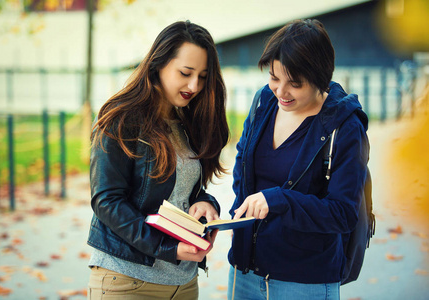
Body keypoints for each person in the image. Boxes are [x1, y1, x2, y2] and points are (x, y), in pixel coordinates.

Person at [227, 19, 369, 300]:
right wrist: (236, 220)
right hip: (243, 274)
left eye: (295, 83)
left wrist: (277, 199)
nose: (280, 91)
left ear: (320, 77)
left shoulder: (345, 127)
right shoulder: (263, 103)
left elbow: (343, 213)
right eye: (274, 77)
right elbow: (243, 167)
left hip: (304, 282)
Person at [86, 20, 229, 299]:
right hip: (127, 281)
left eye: (202, 76)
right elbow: (106, 200)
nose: (194, 85)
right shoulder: (120, 119)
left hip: (184, 283)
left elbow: (182, 191)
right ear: (158, 64)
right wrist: (168, 247)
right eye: (185, 73)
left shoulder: (187, 120)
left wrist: (205, 202)